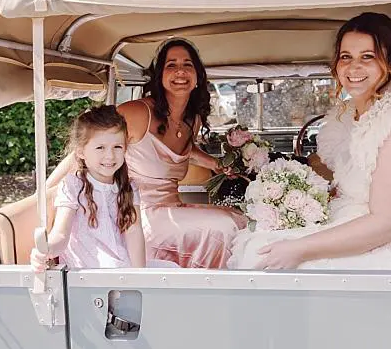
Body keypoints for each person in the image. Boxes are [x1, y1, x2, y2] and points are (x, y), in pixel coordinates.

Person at [229, 13, 391, 270]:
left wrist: (300, 249)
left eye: (367, 57)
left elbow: (389, 224)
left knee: (265, 256)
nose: (353, 67)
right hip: (362, 219)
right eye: (346, 57)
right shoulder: (349, 114)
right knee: (258, 243)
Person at [42, 39, 246, 268]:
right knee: (223, 227)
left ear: (198, 76)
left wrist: (214, 163)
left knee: (236, 217)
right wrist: (46, 193)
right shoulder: (138, 113)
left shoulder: (192, 120)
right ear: (159, 75)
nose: (180, 71)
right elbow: (92, 144)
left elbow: (184, 151)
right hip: (139, 215)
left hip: (171, 207)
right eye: (171, 65)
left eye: (188, 65)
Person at [31, 105, 151, 271]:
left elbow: (134, 232)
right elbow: (61, 234)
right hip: (89, 269)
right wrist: (46, 250)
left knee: (171, 270)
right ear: (81, 152)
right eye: (100, 148)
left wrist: (141, 274)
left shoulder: (128, 186)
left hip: (122, 263)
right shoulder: (73, 186)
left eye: (117, 147)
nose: (109, 156)